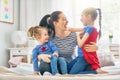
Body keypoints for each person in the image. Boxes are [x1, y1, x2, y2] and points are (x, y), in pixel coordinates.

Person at [28, 11, 98, 75]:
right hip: (54, 65)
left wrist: (96, 47)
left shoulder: (73, 35)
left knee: (86, 63)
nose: (67, 21)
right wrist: (39, 56)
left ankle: (66, 72)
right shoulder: (49, 37)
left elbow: (85, 46)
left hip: (69, 65)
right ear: (55, 23)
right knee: (43, 66)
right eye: (64, 19)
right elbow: (39, 49)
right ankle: (58, 73)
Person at [67, 7, 107, 74]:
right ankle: (88, 68)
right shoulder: (88, 28)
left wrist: (77, 36)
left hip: (84, 57)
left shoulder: (90, 29)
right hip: (80, 57)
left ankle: (95, 71)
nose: (80, 19)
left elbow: (80, 44)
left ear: (89, 17)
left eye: (82, 16)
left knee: (72, 74)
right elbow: (73, 29)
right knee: (67, 69)